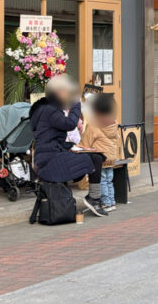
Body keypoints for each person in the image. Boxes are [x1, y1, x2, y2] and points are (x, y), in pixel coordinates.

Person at [31, 74, 107, 217]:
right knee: (93, 159)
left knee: (97, 157)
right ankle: (94, 199)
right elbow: (69, 124)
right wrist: (76, 105)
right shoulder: (49, 109)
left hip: (55, 152)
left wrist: (75, 147)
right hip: (48, 159)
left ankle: (94, 197)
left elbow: (53, 138)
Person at [78, 93, 120, 212]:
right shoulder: (113, 124)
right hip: (111, 158)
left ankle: (106, 203)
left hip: (100, 157)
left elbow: (85, 143)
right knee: (108, 180)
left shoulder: (94, 126)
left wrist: (78, 146)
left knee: (101, 181)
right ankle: (112, 202)